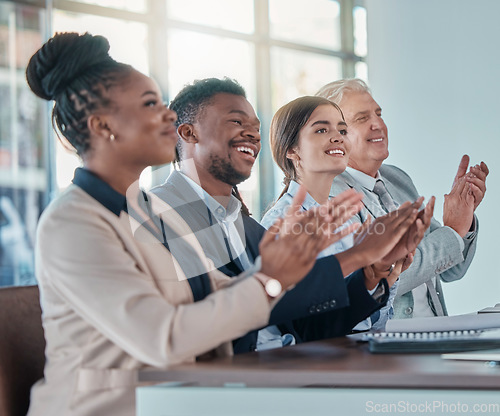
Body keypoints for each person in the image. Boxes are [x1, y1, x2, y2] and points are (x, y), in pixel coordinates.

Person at [25, 32, 366, 416]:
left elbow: (215, 300)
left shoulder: (141, 211)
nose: (169, 115)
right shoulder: (72, 223)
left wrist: (298, 262)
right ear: (104, 126)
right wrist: (272, 276)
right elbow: (166, 337)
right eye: (151, 104)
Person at [151, 78, 429, 349]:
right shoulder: (159, 215)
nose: (252, 134)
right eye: (236, 121)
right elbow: (205, 324)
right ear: (189, 133)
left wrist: (374, 273)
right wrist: (354, 257)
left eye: (255, 126)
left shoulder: (247, 229)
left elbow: (306, 327)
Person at [317, 78, 488, 319]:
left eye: (378, 113)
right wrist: (452, 231)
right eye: (362, 118)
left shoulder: (398, 178)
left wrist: (464, 217)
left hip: (435, 338)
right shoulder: (330, 194)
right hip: (386, 346)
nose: (378, 123)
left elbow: (452, 269)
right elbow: (378, 280)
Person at [260, 95, 435, 330]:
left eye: (342, 131)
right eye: (321, 130)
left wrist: (386, 273)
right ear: (291, 150)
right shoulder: (280, 224)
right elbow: (301, 326)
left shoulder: (346, 223)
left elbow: (369, 322)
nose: (337, 138)